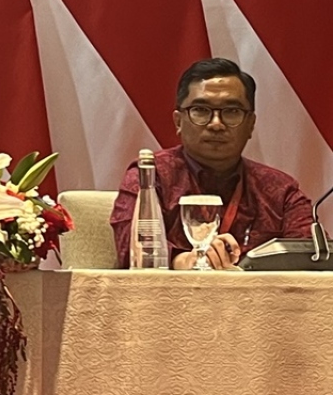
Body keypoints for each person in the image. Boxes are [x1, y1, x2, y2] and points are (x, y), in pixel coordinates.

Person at [110, 58, 313, 269]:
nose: (216, 124)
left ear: (251, 125)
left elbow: (311, 255)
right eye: (201, 110)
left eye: (231, 111)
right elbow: (130, 247)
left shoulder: (280, 190)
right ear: (178, 121)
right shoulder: (151, 176)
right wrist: (183, 261)